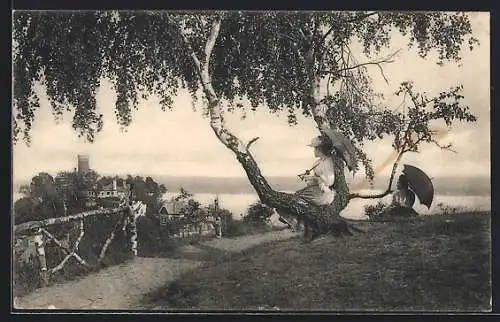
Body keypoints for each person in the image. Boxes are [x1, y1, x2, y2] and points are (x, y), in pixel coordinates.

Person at [277, 135, 337, 237]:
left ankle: (296, 223)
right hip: (317, 189)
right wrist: (309, 178)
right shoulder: (318, 162)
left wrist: (315, 178)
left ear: (320, 149)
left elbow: (330, 181)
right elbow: (315, 181)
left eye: (315, 148)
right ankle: (296, 222)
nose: (313, 150)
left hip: (323, 193)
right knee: (295, 197)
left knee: (295, 199)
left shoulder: (328, 162)